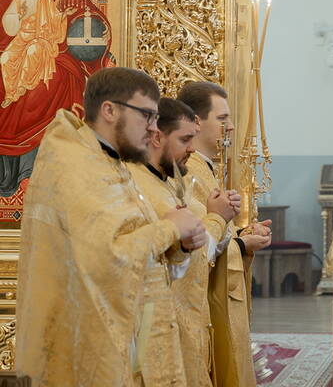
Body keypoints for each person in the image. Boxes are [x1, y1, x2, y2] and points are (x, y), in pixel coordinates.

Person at [17, 67, 206, 386]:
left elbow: (135, 246)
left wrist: (180, 245)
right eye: (147, 115)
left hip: (133, 333)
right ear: (110, 110)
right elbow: (106, 257)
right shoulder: (75, 167)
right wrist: (171, 229)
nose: (153, 128)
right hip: (91, 344)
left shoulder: (109, 162)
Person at [0, 0, 112, 196]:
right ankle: (7, 174)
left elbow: (82, 14)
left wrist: (73, 10)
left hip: (54, 47)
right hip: (13, 43)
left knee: (60, 79)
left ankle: (52, 172)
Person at [127, 97, 241, 387]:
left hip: (186, 319)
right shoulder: (139, 187)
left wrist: (219, 221)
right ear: (156, 137)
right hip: (158, 325)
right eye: (185, 139)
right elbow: (190, 258)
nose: (192, 148)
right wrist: (217, 219)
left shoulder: (168, 181)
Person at [178, 81, 271, 387]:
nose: (230, 126)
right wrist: (241, 244)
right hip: (199, 302)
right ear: (196, 121)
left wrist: (242, 233)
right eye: (222, 119)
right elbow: (193, 243)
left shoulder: (206, 167)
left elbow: (215, 227)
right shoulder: (188, 172)